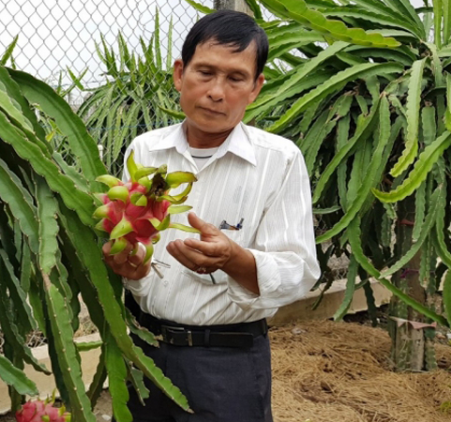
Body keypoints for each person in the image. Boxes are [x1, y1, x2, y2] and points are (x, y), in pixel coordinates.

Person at [102, 10, 321, 422]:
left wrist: (236, 260)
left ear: (256, 88)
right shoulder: (144, 151)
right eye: (204, 72)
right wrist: (129, 268)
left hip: (229, 363)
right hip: (142, 350)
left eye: (235, 78)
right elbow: (133, 248)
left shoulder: (280, 161)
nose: (216, 92)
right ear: (180, 73)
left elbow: (300, 269)